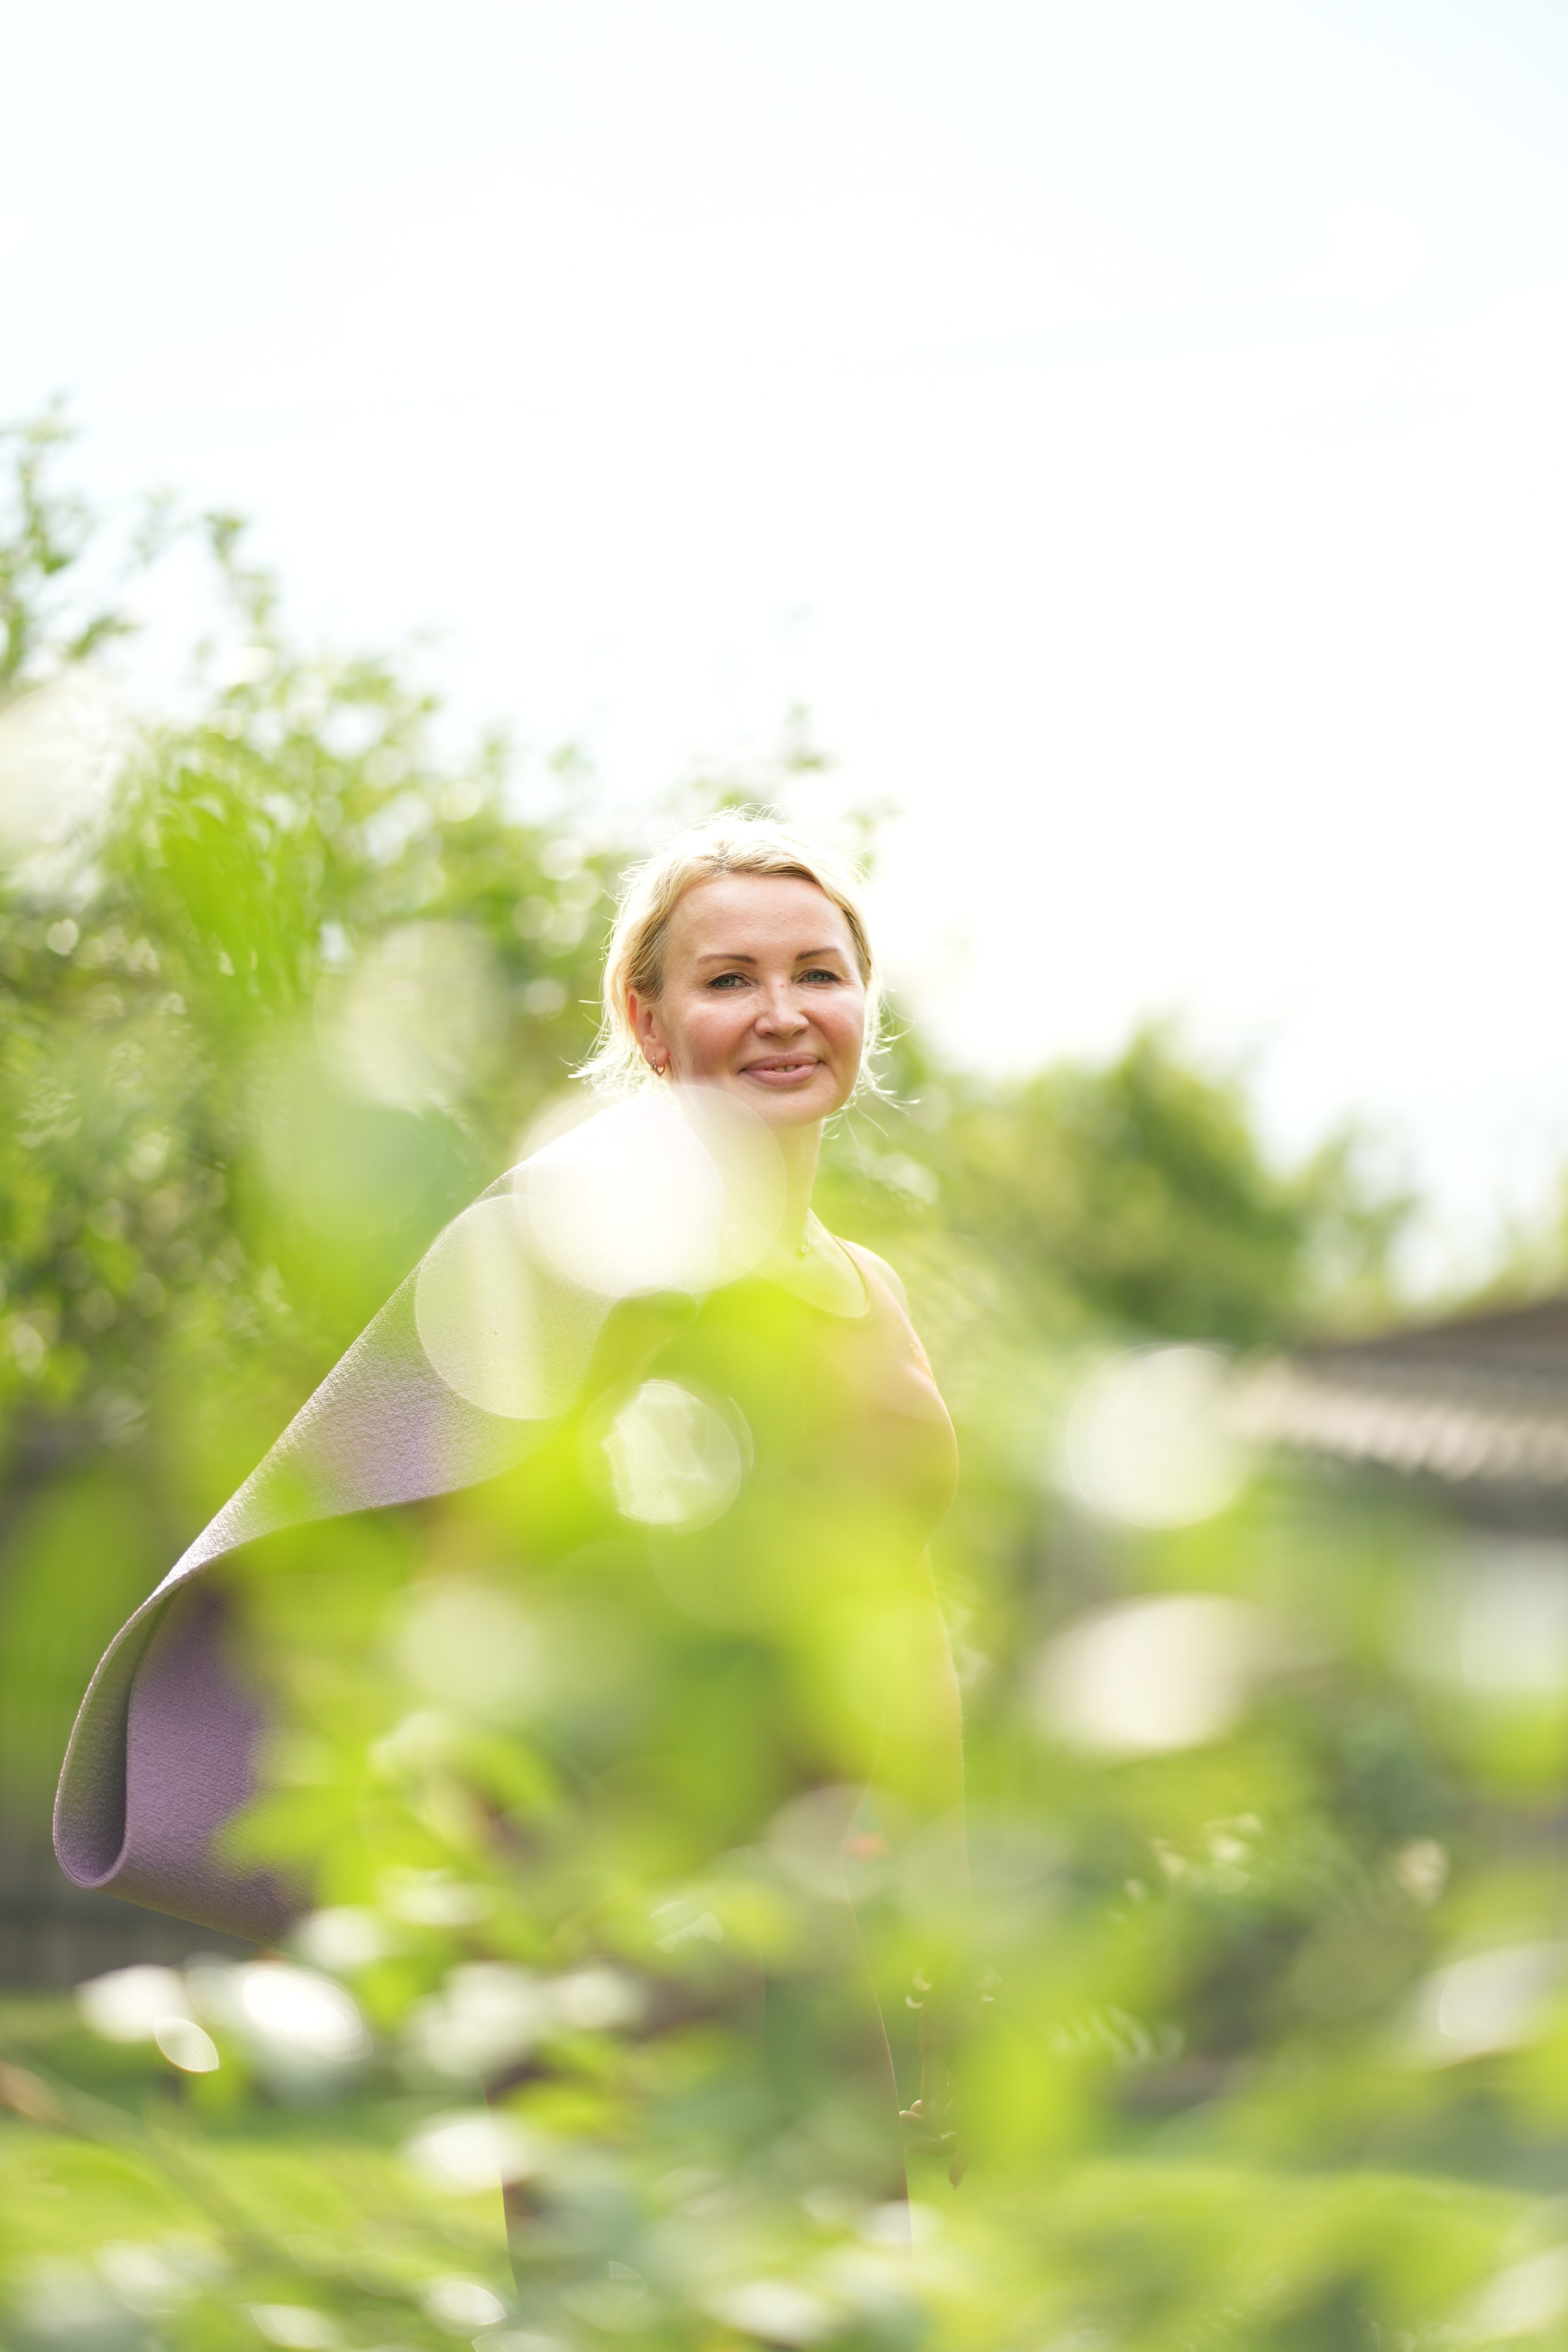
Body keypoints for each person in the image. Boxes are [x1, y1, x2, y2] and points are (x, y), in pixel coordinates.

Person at [55, 811, 964, 2226]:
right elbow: (445, 1568)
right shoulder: (575, 1243)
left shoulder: (870, 1289)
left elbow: (901, 1608)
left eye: (818, 973)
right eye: (726, 980)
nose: (782, 1014)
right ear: (646, 1020)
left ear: (863, 1005)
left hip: (839, 1893)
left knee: (844, 2290)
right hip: (633, 1897)